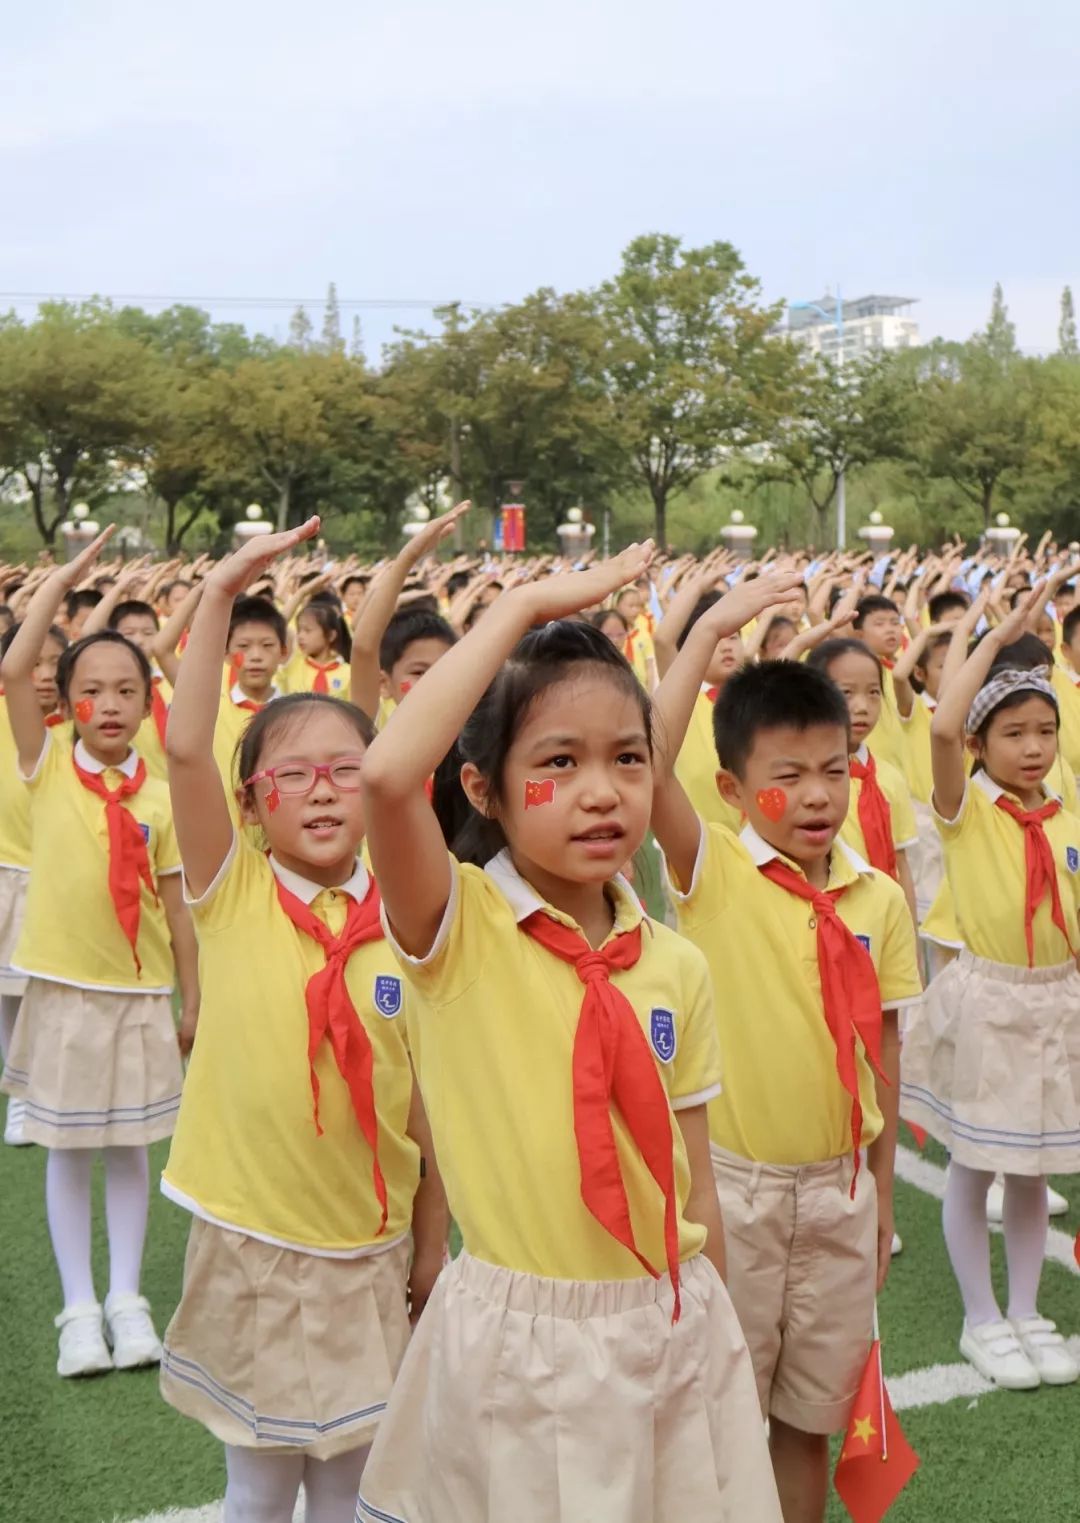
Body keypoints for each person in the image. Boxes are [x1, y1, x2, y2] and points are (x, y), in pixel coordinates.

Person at [356, 534, 781, 1523]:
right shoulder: (456, 931)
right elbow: (384, 777)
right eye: (556, 763)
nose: (601, 790)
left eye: (627, 759)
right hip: (523, 1338)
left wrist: (713, 1324)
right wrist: (525, 607)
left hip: (670, 1322)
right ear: (484, 790)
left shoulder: (672, 963)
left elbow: (694, 1172)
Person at [160, 518, 447, 1523]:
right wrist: (221, 590)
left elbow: (430, 1106)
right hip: (257, 1240)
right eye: (293, 774)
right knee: (259, 1477)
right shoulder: (232, 894)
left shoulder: (408, 920)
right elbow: (188, 746)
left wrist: (428, 1236)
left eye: (343, 771)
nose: (321, 790)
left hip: (368, 1245)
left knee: (352, 1475)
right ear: (252, 804)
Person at [649, 584, 921, 1523]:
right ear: (730, 789)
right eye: (788, 774)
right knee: (722, 1406)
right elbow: (647, 764)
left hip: (841, 1190)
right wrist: (708, 634)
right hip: (738, 1192)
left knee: (810, 1417)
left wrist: (879, 1193)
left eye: (835, 771)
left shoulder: (877, 897)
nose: (816, 795)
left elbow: (882, 1051)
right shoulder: (713, 870)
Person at [0, 528, 199, 1379]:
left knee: (132, 1150)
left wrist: (194, 1000)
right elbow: (13, 670)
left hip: (142, 994)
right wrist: (68, 579)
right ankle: (78, 1308)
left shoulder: (158, 796)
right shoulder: (44, 764)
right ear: (67, 701)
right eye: (91, 691)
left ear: (147, 702)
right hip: (66, 993)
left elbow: (183, 913)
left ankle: (128, 1297)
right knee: (69, 1151)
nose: (109, 705)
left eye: (126, 690)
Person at [901, 587, 1080, 1390]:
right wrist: (993, 631)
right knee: (976, 1162)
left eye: (1045, 730)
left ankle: (1029, 1308)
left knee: (1035, 1167)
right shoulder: (966, 808)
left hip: (1056, 999)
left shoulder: (1068, 816)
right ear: (980, 741)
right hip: (991, 998)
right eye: (1014, 732)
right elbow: (939, 723)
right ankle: (982, 1314)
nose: (1034, 746)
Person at [0, 619, 67, 1146]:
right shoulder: (9, 719)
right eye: (35, 663)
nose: (44, 676)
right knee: (9, 994)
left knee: (47, 993)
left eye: (55, 665)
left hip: (57, 880)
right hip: (6, 872)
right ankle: (18, 1093)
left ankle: (45, 1090)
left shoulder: (82, 734)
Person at [805, 639, 919, 925]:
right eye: (846, 692)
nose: (862, 706)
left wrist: (910, 939)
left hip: (882, 923)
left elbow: (900, 863)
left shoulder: (889, 777)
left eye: (873, 693)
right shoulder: (804, 781)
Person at [852, 593, 906, 772]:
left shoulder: (905, 669)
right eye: (879, 624)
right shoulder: (858, 669)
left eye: (895, 622)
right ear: (859, 635)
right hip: (870, 769)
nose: (890, 629)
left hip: (903, 774)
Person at [284, 596, 351, 696]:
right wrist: (302, 592)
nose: (300, 636)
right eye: (299, 630)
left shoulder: (348, 673)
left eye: (308, 630)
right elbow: (277, 626)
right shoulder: (294, 662)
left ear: (331, 635)